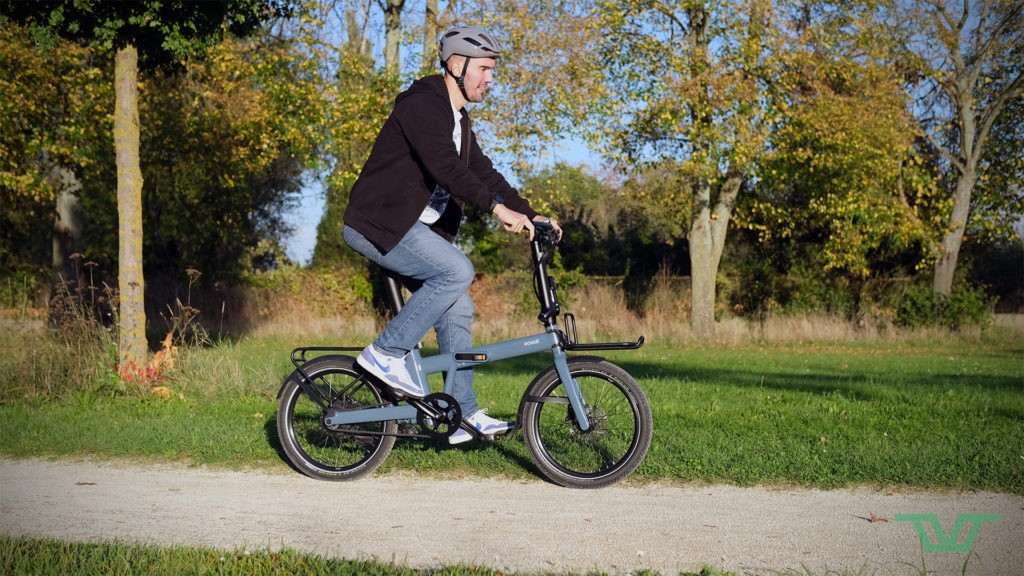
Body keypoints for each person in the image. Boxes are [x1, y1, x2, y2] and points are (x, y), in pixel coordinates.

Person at [342, 25, 561, 445]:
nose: (490, 78)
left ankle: (464, 415)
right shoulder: (423, 105)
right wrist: (496, 209)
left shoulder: (459, 120)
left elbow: (484, 173)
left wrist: (533, 215)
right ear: (456, 65)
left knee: (458, 308)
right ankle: (386, 354)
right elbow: (446, 168)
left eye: (493, 70)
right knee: (457, 270)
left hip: (412, 232)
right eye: (484, 68)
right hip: (379, 225)